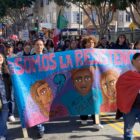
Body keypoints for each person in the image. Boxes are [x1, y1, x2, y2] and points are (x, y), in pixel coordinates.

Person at [116, 52, 140, 140]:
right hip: (130, 107)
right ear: (133, 61)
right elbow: (120, 86)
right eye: (139, 60)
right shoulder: (126, 71)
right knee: (128, 131)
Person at [31, 38, 46, 138]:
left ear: (43, 46)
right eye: (37, 44)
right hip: (34, 86)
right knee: (36, 105)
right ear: (34, 46)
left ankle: (41, 124)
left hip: (45, 86)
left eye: (40, 45)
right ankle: (40, 127)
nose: (39, 46)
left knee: (44, 106)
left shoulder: (49, 58)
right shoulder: (29, 59)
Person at [4, 42, 16, 122]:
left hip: (12, 79)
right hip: (3, 79)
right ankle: (5, 113)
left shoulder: (15, 57)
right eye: (7, 48)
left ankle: (11, 114)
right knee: (5, 97)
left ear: (12, 48)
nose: (8, 49)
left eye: (10, 47)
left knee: (11, 97)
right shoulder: (1, 56)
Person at [0, 53, 10, 140]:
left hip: (5, 98)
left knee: (3, 118)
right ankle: (2, 133)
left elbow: (11, 83)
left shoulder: (6, 70)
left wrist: (9, 74)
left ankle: (2, 134)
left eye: (1, 57)